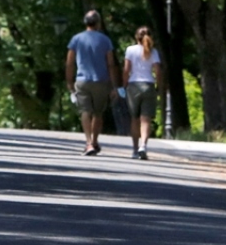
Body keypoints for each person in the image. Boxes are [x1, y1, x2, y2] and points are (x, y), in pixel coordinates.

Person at [65, 10, 120, 156]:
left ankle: (88, 143)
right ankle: (94, 141)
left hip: (82, 80)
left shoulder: (76, 39)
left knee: (85, 111)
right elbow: (111, 64)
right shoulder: (105, 40)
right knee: (98, 113)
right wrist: (114, 86)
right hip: (101, 81)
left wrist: (69, 81)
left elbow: (69, 63)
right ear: (98, 23)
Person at [121, 26, 163, 160]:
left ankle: (134, 149)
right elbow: (158, 71)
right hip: (148, 85)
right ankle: (143, 146)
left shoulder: (130, 50)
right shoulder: (153, 52)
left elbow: (126, 70)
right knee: (146, 119)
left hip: (133, 85)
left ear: (136, 37)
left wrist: (123, 85)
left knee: (134, 119)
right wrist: (159, 87)